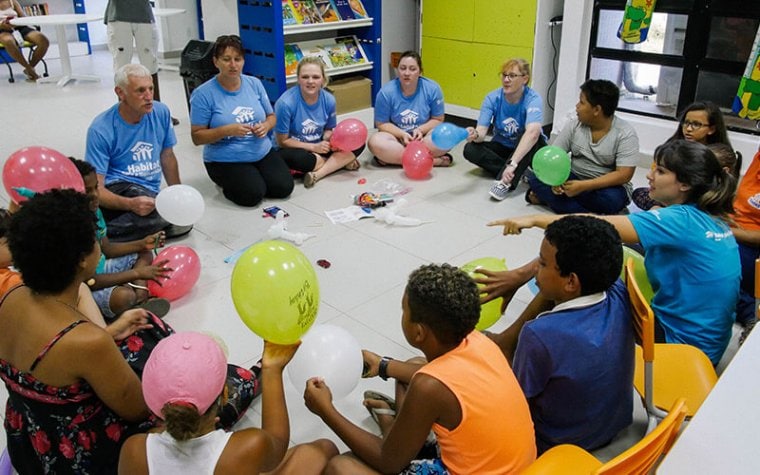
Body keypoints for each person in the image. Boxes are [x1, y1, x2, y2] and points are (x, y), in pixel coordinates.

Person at [490, 140, 739, 366]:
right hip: (705, 350)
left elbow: (594, 226)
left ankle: (519, 346)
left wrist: (533, 219)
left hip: (678, 349)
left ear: (685, 184)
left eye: (661, 171)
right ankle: (515, 336)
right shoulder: (711, 217)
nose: (650, 175)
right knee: (597, 254)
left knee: (579, 264)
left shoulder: (680, 219)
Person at [303, 263, 536, 474]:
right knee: (414, 366)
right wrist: (383, 366)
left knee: (341, 467)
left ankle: (397, 434)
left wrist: (326, 409)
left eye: (405, 311)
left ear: (418, 332)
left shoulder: (430, 387)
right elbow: (442, 380)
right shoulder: (479, 341)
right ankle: (399, 432)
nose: (403, 315)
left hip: (461, 469)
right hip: (509, 466)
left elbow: (388, 462)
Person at [0, 189, 154, 474]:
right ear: (83, 258)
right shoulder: (87, 341)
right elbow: (137, 410)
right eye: (95, 241)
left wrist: (110, 332)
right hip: (77, 458)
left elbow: (52, 361)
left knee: (142, 332)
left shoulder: (10, 298)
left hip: (27, 442)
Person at [489, 216, 634, 453]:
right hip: (609, 428)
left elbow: (515, 403)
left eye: (543, 264)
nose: (536, 270)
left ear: (571, 281)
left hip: (554, 443)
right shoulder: (617, 289)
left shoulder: (539, 335)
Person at [118, 332, 337, 474]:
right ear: (225, 395)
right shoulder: (247, 447)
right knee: (322, 450)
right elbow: (277, 444)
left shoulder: (134, 450)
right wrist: (272, 368)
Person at [85, 63, 189, 242]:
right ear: (120, 93)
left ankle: (108, 232)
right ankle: (94, 238)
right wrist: (130, 204)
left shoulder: (161, 112)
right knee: (165, 216)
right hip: (118, 188)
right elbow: (97, 189)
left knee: (180, 217)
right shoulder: (101, 128)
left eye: (151, 89)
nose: (149, 97)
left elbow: (167, 156)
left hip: (148, 192)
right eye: (140, 91)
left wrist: (178, 193)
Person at [190, 34, 294, 207]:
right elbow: (197, 137)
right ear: (216, 62)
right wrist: (226, 130)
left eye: (237, 59)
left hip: (260, 150)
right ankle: (232, 182)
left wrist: (266, 126)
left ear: (243, 61)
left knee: (284, 188)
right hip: (225, 158)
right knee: (252, 196)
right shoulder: (203, 94)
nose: (233, 65)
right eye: (226, 59)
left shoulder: (254, 83)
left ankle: (253, 175)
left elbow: (271, 116)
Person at [71, 157, 171, 320]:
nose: (95, 195)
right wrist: (137, 273)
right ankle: (130, 300)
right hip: (84, 287)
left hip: (99, 270)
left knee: (144, 254)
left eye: (96, 187)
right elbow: (91, 281)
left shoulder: (94, 212)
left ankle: (141, 299)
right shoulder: (73, 230)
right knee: (124, 297)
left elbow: (107, 249)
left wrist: (142, 243)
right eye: (86, 191)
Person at [526, 79, 639, 215]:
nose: (577, 106)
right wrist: (555, 181)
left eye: (582, 102)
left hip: (603, 186)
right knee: (535, 178)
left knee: (611, 199)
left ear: (597, 110)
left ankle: (559, 204)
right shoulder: (574, 125)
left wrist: (584, 186)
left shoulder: (625, 133)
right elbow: (554, 155)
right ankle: (591, 215)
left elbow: (624, 175)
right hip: (573, 178)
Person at [463, 58, 547, 201]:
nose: (506, 80)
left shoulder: (533, 98)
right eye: (504, 75)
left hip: (530, 149)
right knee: (470, 149)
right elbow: (481, 133)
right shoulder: (492, 98)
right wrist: (474, 134)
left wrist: (513, 164)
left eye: (512, 76)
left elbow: (533, 133)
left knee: (530, 134)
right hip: (504, 146)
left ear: (525, 79)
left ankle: (505, 182)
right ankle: (519, 171)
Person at [275, 57, 364, 188]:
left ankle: (318, 173)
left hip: (319, 147)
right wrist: (313, 147)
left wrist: (332, 141)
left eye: (316, 77)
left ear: (323, 79)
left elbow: (328, 130)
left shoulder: (329, 100)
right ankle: (339, 162)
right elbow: (282, 142)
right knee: (299, 159)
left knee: (359, 143)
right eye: (305, 77)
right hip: (295, 149)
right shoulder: (285, 103)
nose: (310, 81)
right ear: (298, 79)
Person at [632, 101, 734, 210]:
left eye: (696, 124)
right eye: (686, 123)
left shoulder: (719, 155)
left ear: (711, 129)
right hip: (671, 194)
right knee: (639, 193)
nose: (688, 129)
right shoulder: (673, 146)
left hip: (698, 201)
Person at [368, 51, 454, 167]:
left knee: (448, 136)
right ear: (397, 70)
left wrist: (420, 130)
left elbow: (438, 119)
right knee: (375, 142)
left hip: (423, 137)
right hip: (396, 138)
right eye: (402, 68)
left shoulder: (433, 89)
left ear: (420, 72)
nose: (407, 73)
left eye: (412, 69)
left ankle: (393, 159)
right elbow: (381, 123)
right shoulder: (386, 92)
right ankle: (431, 161)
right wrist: (402, 134)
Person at [103, 0, 179, 125]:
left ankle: (156, 113)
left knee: (150, 64)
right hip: (118, 16)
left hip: (144, 15)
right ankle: (124, 115)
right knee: (121, 67)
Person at [729, 143, 760, 343]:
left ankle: (751, 315)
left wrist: (729, 232)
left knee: (718, 266)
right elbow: (740, 204)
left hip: (751, 243)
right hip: (736, 229)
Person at [0, 0, 48, 81]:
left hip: (19, 27)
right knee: (8, 41)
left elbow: (23, 18)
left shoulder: (12, 2)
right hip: (2, 30)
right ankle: (29, 69)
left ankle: (30, 68)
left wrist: (15, 22)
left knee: (43, 40)